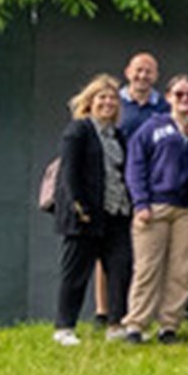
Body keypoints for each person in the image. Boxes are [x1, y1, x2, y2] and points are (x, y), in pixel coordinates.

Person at [51, 77, 136, 346]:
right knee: (76, 272)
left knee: (121, 268)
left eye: (112, 98)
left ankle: (115, 324)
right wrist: (79, 206)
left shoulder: (117, 135)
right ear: (89, 102)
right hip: (85, 215)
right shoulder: (78, 130)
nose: (108, 103)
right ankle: (64, 327)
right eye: (102, 98)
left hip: (117, 213)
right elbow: (69, 173)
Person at [121, 75, 188, 344]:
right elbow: (135, 165)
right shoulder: (151, 128)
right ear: (168, 97)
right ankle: (136, 324)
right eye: (179, 94)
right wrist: (140, 202)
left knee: (182, 269)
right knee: (147, 267)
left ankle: (169, 325)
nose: (184, 99)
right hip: (155, 206)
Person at [116, 52, 166, 141]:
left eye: (148, 72)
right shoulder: (113, 102)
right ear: (127, 72)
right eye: (138, 70)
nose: (143, 76)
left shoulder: (166, 106)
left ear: (156, 76)